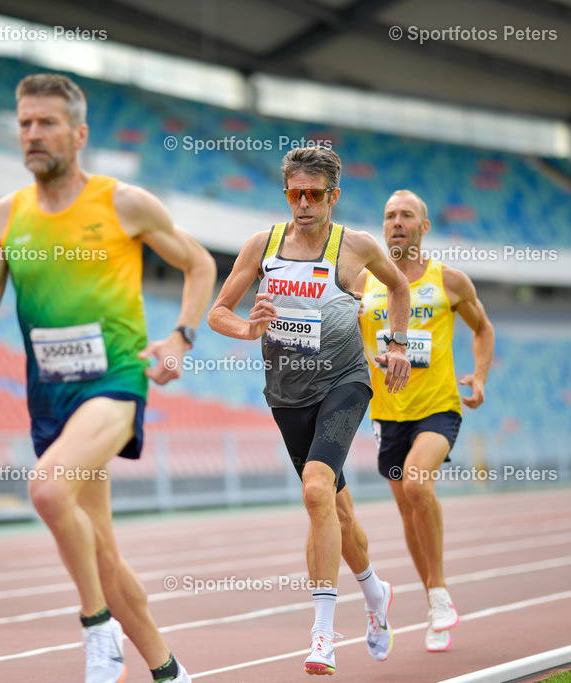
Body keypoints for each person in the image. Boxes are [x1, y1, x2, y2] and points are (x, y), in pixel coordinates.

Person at [0, 73, 215, 683]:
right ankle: (169, 671)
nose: (33, 134)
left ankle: (96, 628)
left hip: (115, 382)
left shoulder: (122, 202)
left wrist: (181, 337)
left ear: (79, 134)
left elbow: (200, 263)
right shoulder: (4, 216)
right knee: (100, 550)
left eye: (46, 123)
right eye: (24, 124)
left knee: (47, 490)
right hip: (51, 396)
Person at [208, 146, 411, 676]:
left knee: (316, 489)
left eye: (313, 195)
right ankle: (375, 594)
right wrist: (250, 328)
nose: (302, 203)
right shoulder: (263, 245)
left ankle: (322, 635)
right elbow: (218, 312)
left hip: (344, 383)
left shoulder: (356, 247)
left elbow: (399, 286)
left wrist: (396, 344)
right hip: (286, 394)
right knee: (337, 513)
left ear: (333, 197)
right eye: (294, 193)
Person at [355, 189, 494, 653]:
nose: (396, 222)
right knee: (408, 512)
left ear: (423, 227)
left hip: (438, 406)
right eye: (389, 215)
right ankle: (436, 606)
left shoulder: (448, 281)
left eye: (406, 215)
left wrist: (479, 375)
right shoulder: (362, 282)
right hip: (387, 414)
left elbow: (483, 328)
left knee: (417, 485)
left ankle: (438, 593)